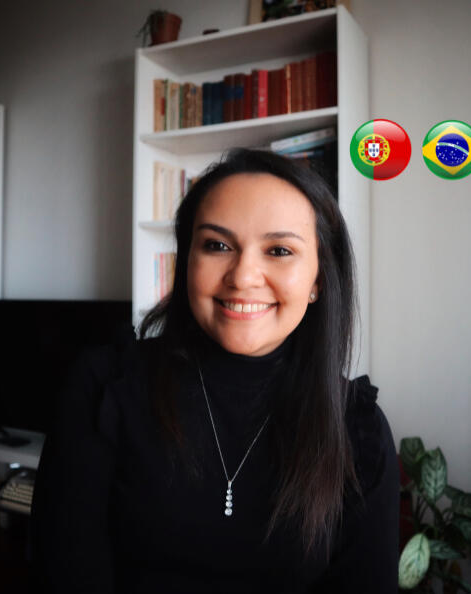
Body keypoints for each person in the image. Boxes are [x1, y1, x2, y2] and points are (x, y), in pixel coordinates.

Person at [30, 148, 400, 593]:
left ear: (318, 279)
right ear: (187, 260)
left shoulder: (358, 430)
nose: (242, 277)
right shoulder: (104, 387)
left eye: (279, 250)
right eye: (217, 245)